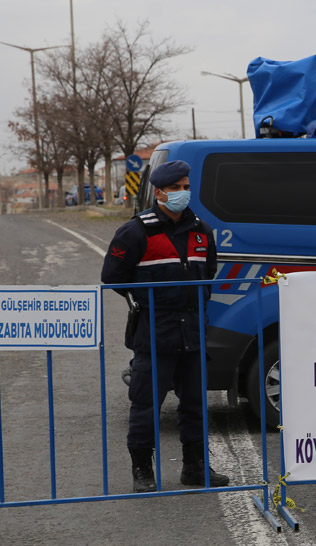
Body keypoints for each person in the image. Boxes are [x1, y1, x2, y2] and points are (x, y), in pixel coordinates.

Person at [101, 160, 230, 492]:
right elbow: (113, 277)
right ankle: (143, 471)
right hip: (155, 332)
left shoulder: (202, 231)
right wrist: (145, 301)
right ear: (158, 193)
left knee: (195, 405)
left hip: (192, 332)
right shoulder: (135, 232)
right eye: (175, 188)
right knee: (145, 405)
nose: (182, 193)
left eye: (186, 187)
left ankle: (195, 468)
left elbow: (207, 273)